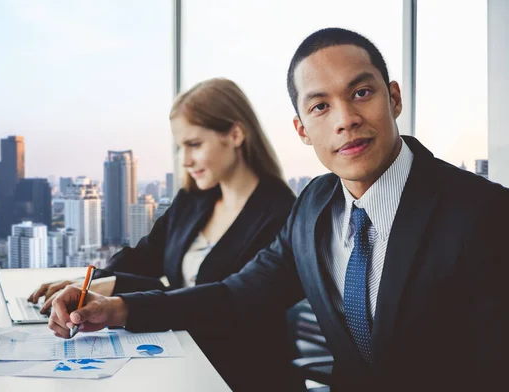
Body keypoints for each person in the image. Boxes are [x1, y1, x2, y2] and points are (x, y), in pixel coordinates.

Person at [49, 28, 508, 391]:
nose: (344, 118)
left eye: (361, 94)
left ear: (394, 98)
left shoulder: (483, 213)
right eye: (321, 106)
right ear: (302, 129)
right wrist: (119, 309)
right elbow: (235, 295)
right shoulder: (312, 209)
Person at [31, 78, 302, 391]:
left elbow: (221, 299)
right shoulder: (195, 199)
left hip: (241, 376)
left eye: (194, 144)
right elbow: (145, 258)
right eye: (180, 148)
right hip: (182, 360)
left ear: (236, 134)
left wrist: (117, 307)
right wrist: (89, 288)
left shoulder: (281, 213)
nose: (185, 160)